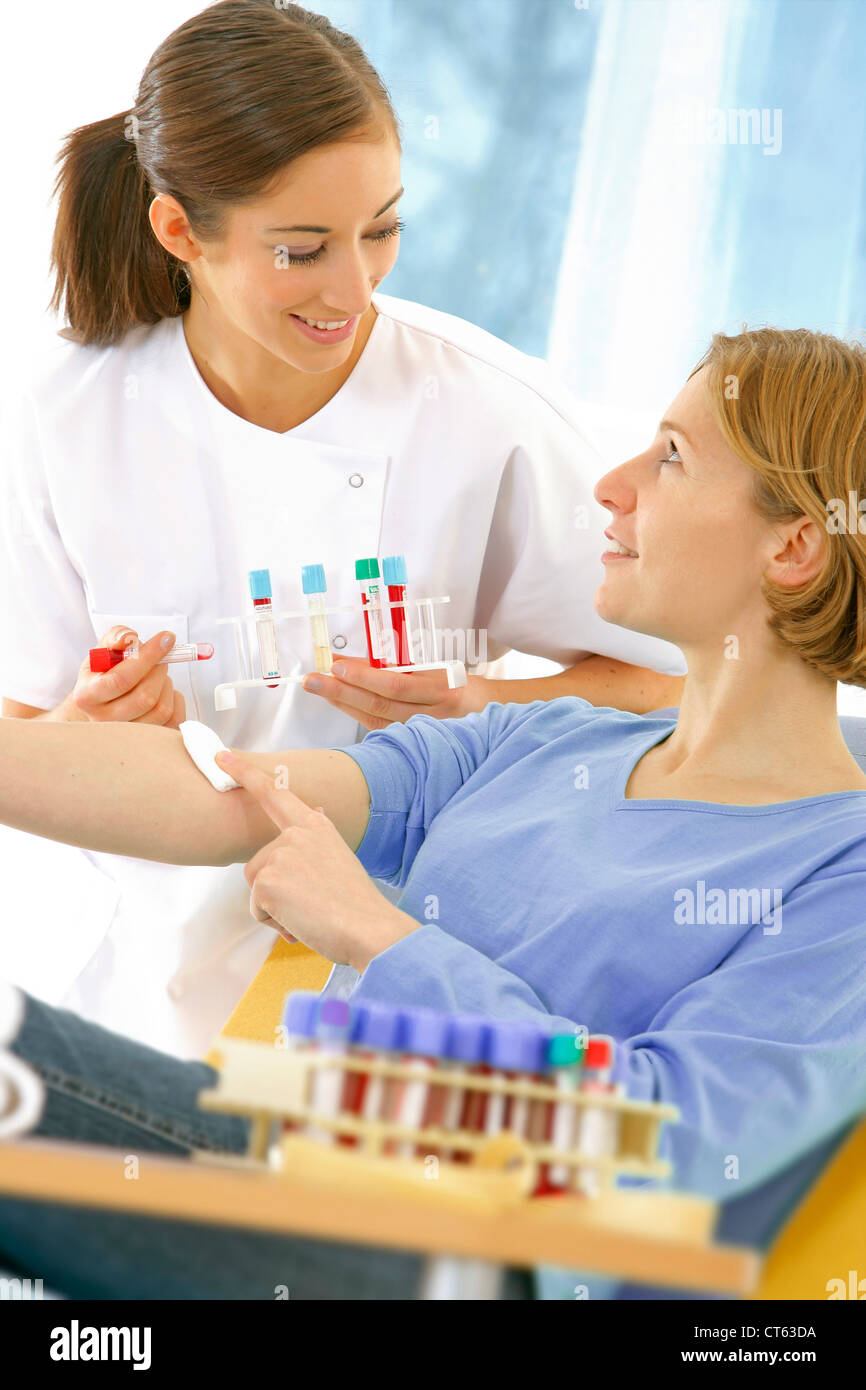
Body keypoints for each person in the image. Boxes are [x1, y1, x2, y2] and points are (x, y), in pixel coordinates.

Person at [0, 326, 864, 1300]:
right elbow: (231, 792)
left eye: (669, 457)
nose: (610, 485)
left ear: (792, 543)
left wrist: (378, 936)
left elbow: (665, 1143)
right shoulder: (540, 742)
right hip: (305, 1179)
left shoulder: (842, 869)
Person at [0, 0, 685, 1060]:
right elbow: (21, 732)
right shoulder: (67, 418)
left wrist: (483, 705)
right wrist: (80, 725)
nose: (355, 288)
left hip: (383, 988)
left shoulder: (479, 413)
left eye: (381, 230)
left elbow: (685, 682)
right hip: (125, 989)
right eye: (302, 249)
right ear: (180, 230)